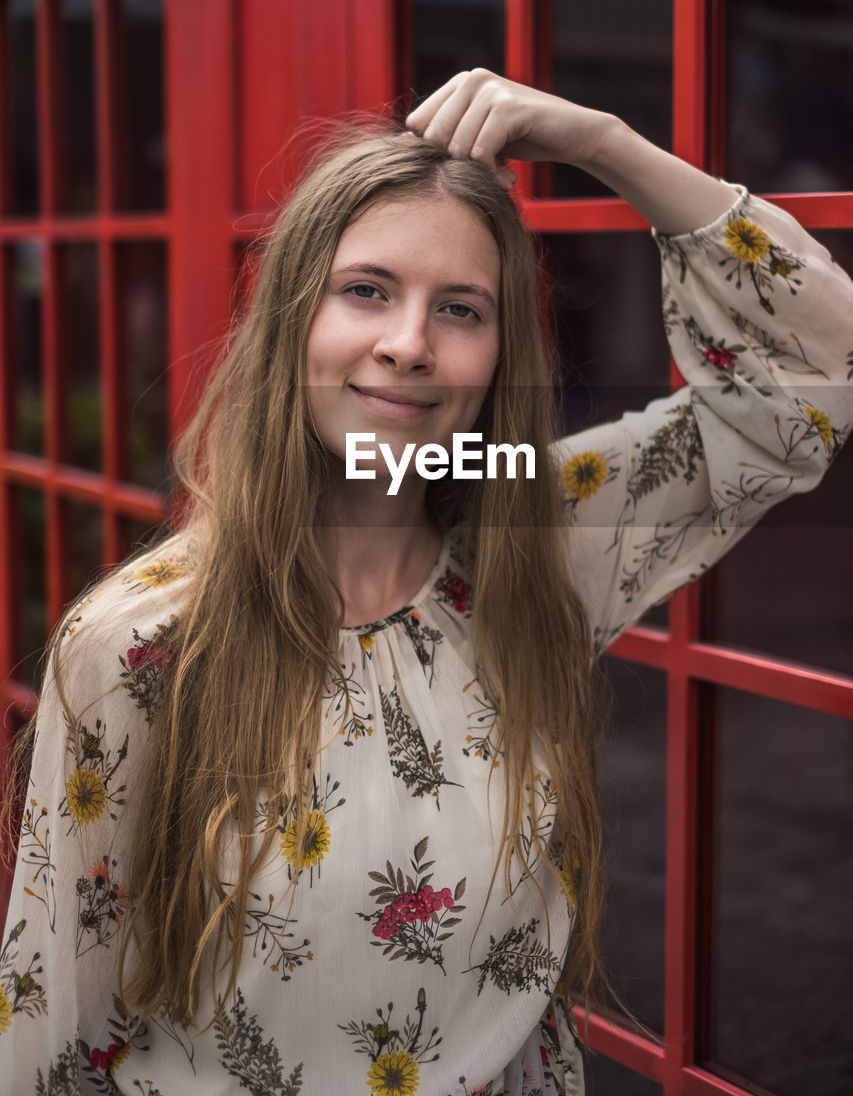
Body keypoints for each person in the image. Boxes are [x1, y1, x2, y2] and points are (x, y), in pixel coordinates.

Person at [1, 69, 851, 1096]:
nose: (408, 344)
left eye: (460, 308)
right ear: (291, 324)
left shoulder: (539, 542)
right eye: (366, 291)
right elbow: (55, 1020)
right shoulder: (136, 642)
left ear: (499, 356)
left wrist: (608, 143)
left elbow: (807, 382)